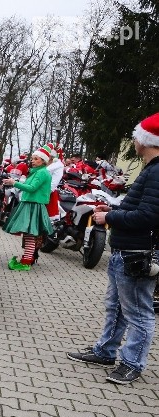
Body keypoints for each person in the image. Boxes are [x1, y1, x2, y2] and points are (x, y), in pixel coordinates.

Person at [67, 111, 159, 385]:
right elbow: (141, 208)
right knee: (116, 307)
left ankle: (132, 363)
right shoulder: (151, 170)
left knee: (138, 313)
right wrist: (116, 207)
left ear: (146, 140)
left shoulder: (157, 172)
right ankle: (105, 351)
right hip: (127, 251)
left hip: (138, 252)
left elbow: (149, 216)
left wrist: (109, 217)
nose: (133, 140)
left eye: (136, 136)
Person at [2, 144, 55, 270]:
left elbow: (31, 188)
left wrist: (14, 183)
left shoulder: (42, 173)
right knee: (28, 235)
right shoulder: (37, 172)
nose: (33, 161)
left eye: (36, 159)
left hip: (33, 206)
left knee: (30, 235)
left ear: (43, 160)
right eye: (32, 158)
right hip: (30, 204)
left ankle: (26, 262)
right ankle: (27, 259)